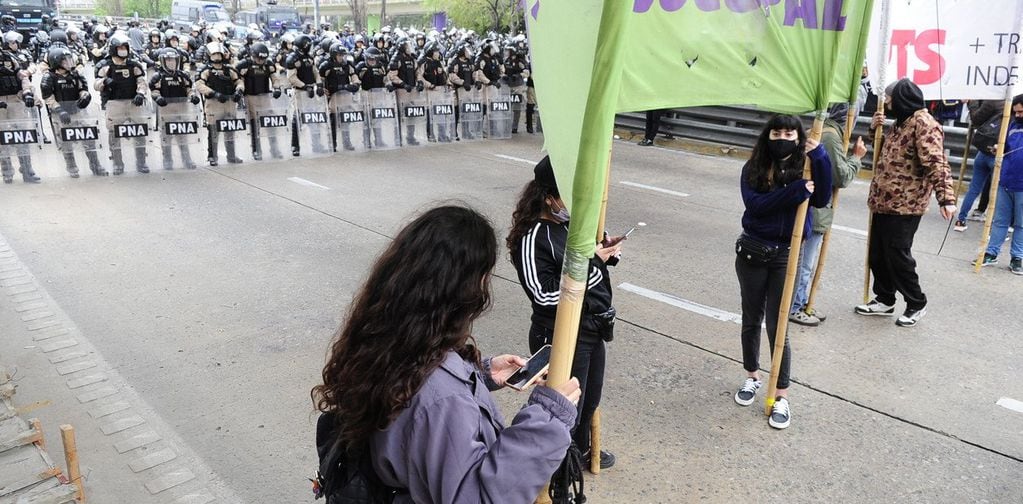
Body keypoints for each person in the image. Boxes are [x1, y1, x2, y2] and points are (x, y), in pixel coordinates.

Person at [311, 205, 580, 504]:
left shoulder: (385, 341)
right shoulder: (444, 399)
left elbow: (413, 409)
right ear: (462, 289)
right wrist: (546, 418)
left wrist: (481, 373)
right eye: (484, 275)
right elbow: (477, 497)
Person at [507, 156, 621, 471]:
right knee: (563, 408)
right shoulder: (533, 237)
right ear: (548, 198)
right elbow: (543, 295)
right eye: (567, 196)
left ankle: (580, 450)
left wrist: (606, 253)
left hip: (591, 328)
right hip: (559, 333)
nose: (573, 203)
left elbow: (589, 264)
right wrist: (592, 263)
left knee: (588, 400)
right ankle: (556, 471)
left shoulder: (572, 223)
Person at [734, 114, 832, 430]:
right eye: (777, 132)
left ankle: (781, 394)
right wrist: (794, 191)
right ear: (768, 136)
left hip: (785, 258)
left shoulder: (805, 165)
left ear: (798, 136)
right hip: (752, 251)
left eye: (789, 133)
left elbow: (822, 197)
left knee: (778, 327)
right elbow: (757, 206)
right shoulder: (753, 168)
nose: (782, 138)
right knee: (751, 319)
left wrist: (819, 156)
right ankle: (751, 375)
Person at [856, 78, 956, 327]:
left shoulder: (924, 124)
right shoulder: (901, 122)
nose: (887, 104)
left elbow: (937, 163)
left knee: (898, 255)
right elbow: (885, 153)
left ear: (900, 100)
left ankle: (916, 302)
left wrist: (947, 198)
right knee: (877, 253)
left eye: (889, 100)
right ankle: (885, 298)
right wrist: (874, 129)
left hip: (906, 205)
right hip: (884, 201)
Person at [789, 103, 865, 326]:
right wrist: (856, 157)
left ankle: (802, 302)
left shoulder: (830, 132)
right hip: (814, 208)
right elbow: (840, 176)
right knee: (805, 263)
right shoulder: (831, 136)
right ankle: (795, 306)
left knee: (806, 262)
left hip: (814, 207)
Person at [975, 94, 1023, 275]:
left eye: (1021, 112)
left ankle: (1017, 258)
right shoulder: (1010, 126)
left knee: (1021, 224)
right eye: (1016, 112)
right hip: (1005, 181)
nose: (1018, 115)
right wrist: (998, 149)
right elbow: (1005, 148)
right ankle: (991, 253)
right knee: (999, 221)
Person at [40, 46, 105, 177]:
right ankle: (72, 168)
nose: (69, 63)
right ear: (57, 62)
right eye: (65, 61)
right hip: (60, 115)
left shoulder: (75, 74)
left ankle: (95, 165)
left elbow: (83, 88)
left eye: (70, 59)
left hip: (78, 112)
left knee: (88, 138)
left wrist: (85, 96)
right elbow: (48, 97)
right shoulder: (49, 77)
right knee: (66, 143)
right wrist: (59, 110)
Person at [955, 99, 1005, 231]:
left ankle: (960, 220)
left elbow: (976, 119)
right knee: (999, 193)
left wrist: (972, 103)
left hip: (983, 152)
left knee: (974, 188)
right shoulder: (1009, 109)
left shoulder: (992, 101)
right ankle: (994, 228)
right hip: (997, 154)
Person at [0, 31, 40, 183]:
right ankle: (7, 172)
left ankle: (27, 169)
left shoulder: (8, 57)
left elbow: (22, 76)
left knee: (23, 135)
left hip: (15, 100)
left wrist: (28, 92)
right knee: (2, 139)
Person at [196, 42, 244, 166]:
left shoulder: (229, 69)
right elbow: (199, 85)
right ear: (208, 55)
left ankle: (231, 155)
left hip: (229, 102)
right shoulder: (205, 70)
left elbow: (239, 81)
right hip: (213, 103)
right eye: (214, 54)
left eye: (218, 53)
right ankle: (212, 156)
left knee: (230, 129)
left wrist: (239, 90)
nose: (217, 56)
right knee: (213, 131)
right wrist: (214, 93)